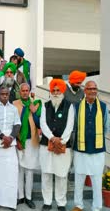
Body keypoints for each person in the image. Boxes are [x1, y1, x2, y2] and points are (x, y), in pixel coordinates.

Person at [72, 81, 108, 211]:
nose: (93, 91)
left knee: (97, 179)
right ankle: (78, 205)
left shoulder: (103, 107)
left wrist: (95, 137)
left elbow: (106, 127)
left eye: (95, 88)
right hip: (80, 149)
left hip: (97, 150)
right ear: (85, 91)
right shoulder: (76, 107)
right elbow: (74, 127)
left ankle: (97, 207)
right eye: (90, 89)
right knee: (79, 177)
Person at [39, 79, 74, 211]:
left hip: (63, 146)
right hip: (46, 145)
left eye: (58, 90)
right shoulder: (45, 105)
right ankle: (47, 202)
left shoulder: (69, 106)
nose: (55, 92)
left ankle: (61, 203)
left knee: (61, 175)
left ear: (62, 91)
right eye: (53, 90)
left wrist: (62, 141)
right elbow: (43, 123)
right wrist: (53, 138)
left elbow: (70, 125)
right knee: (46, 174)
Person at [0, 86, 21, 210]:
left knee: (11, 172)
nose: (5, 96)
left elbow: (17, 124)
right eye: (2, 94)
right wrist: (3, 137)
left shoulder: (13, 109)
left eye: (7, 94)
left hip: (11, 144)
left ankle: (10, 201)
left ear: (9, 95)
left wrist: (11, 138)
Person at [13, 83, 41, 209]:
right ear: (19, 91)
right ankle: (20, 196)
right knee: (20, 170)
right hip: (19, 141)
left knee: (29, 170)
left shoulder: (35, 104)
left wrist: (34, 112)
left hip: (32, 141)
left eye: (27, 90)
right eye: (22, 90)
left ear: (29, 91)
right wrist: (17, 140)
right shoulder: (14, 104)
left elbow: (39, 123)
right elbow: (12, 123)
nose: (24, 92)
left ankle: (29, 197)